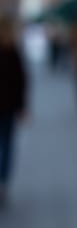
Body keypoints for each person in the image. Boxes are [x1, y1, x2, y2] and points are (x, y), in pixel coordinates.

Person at [0, 17, 27, 206]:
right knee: (7, 145)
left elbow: (21, 80)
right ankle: (3, 183)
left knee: (7, 144)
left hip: (8, 106)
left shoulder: (12, 51)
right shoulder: (12, 51)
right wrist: (22, 106)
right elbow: (21, 80)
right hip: (8, 106)